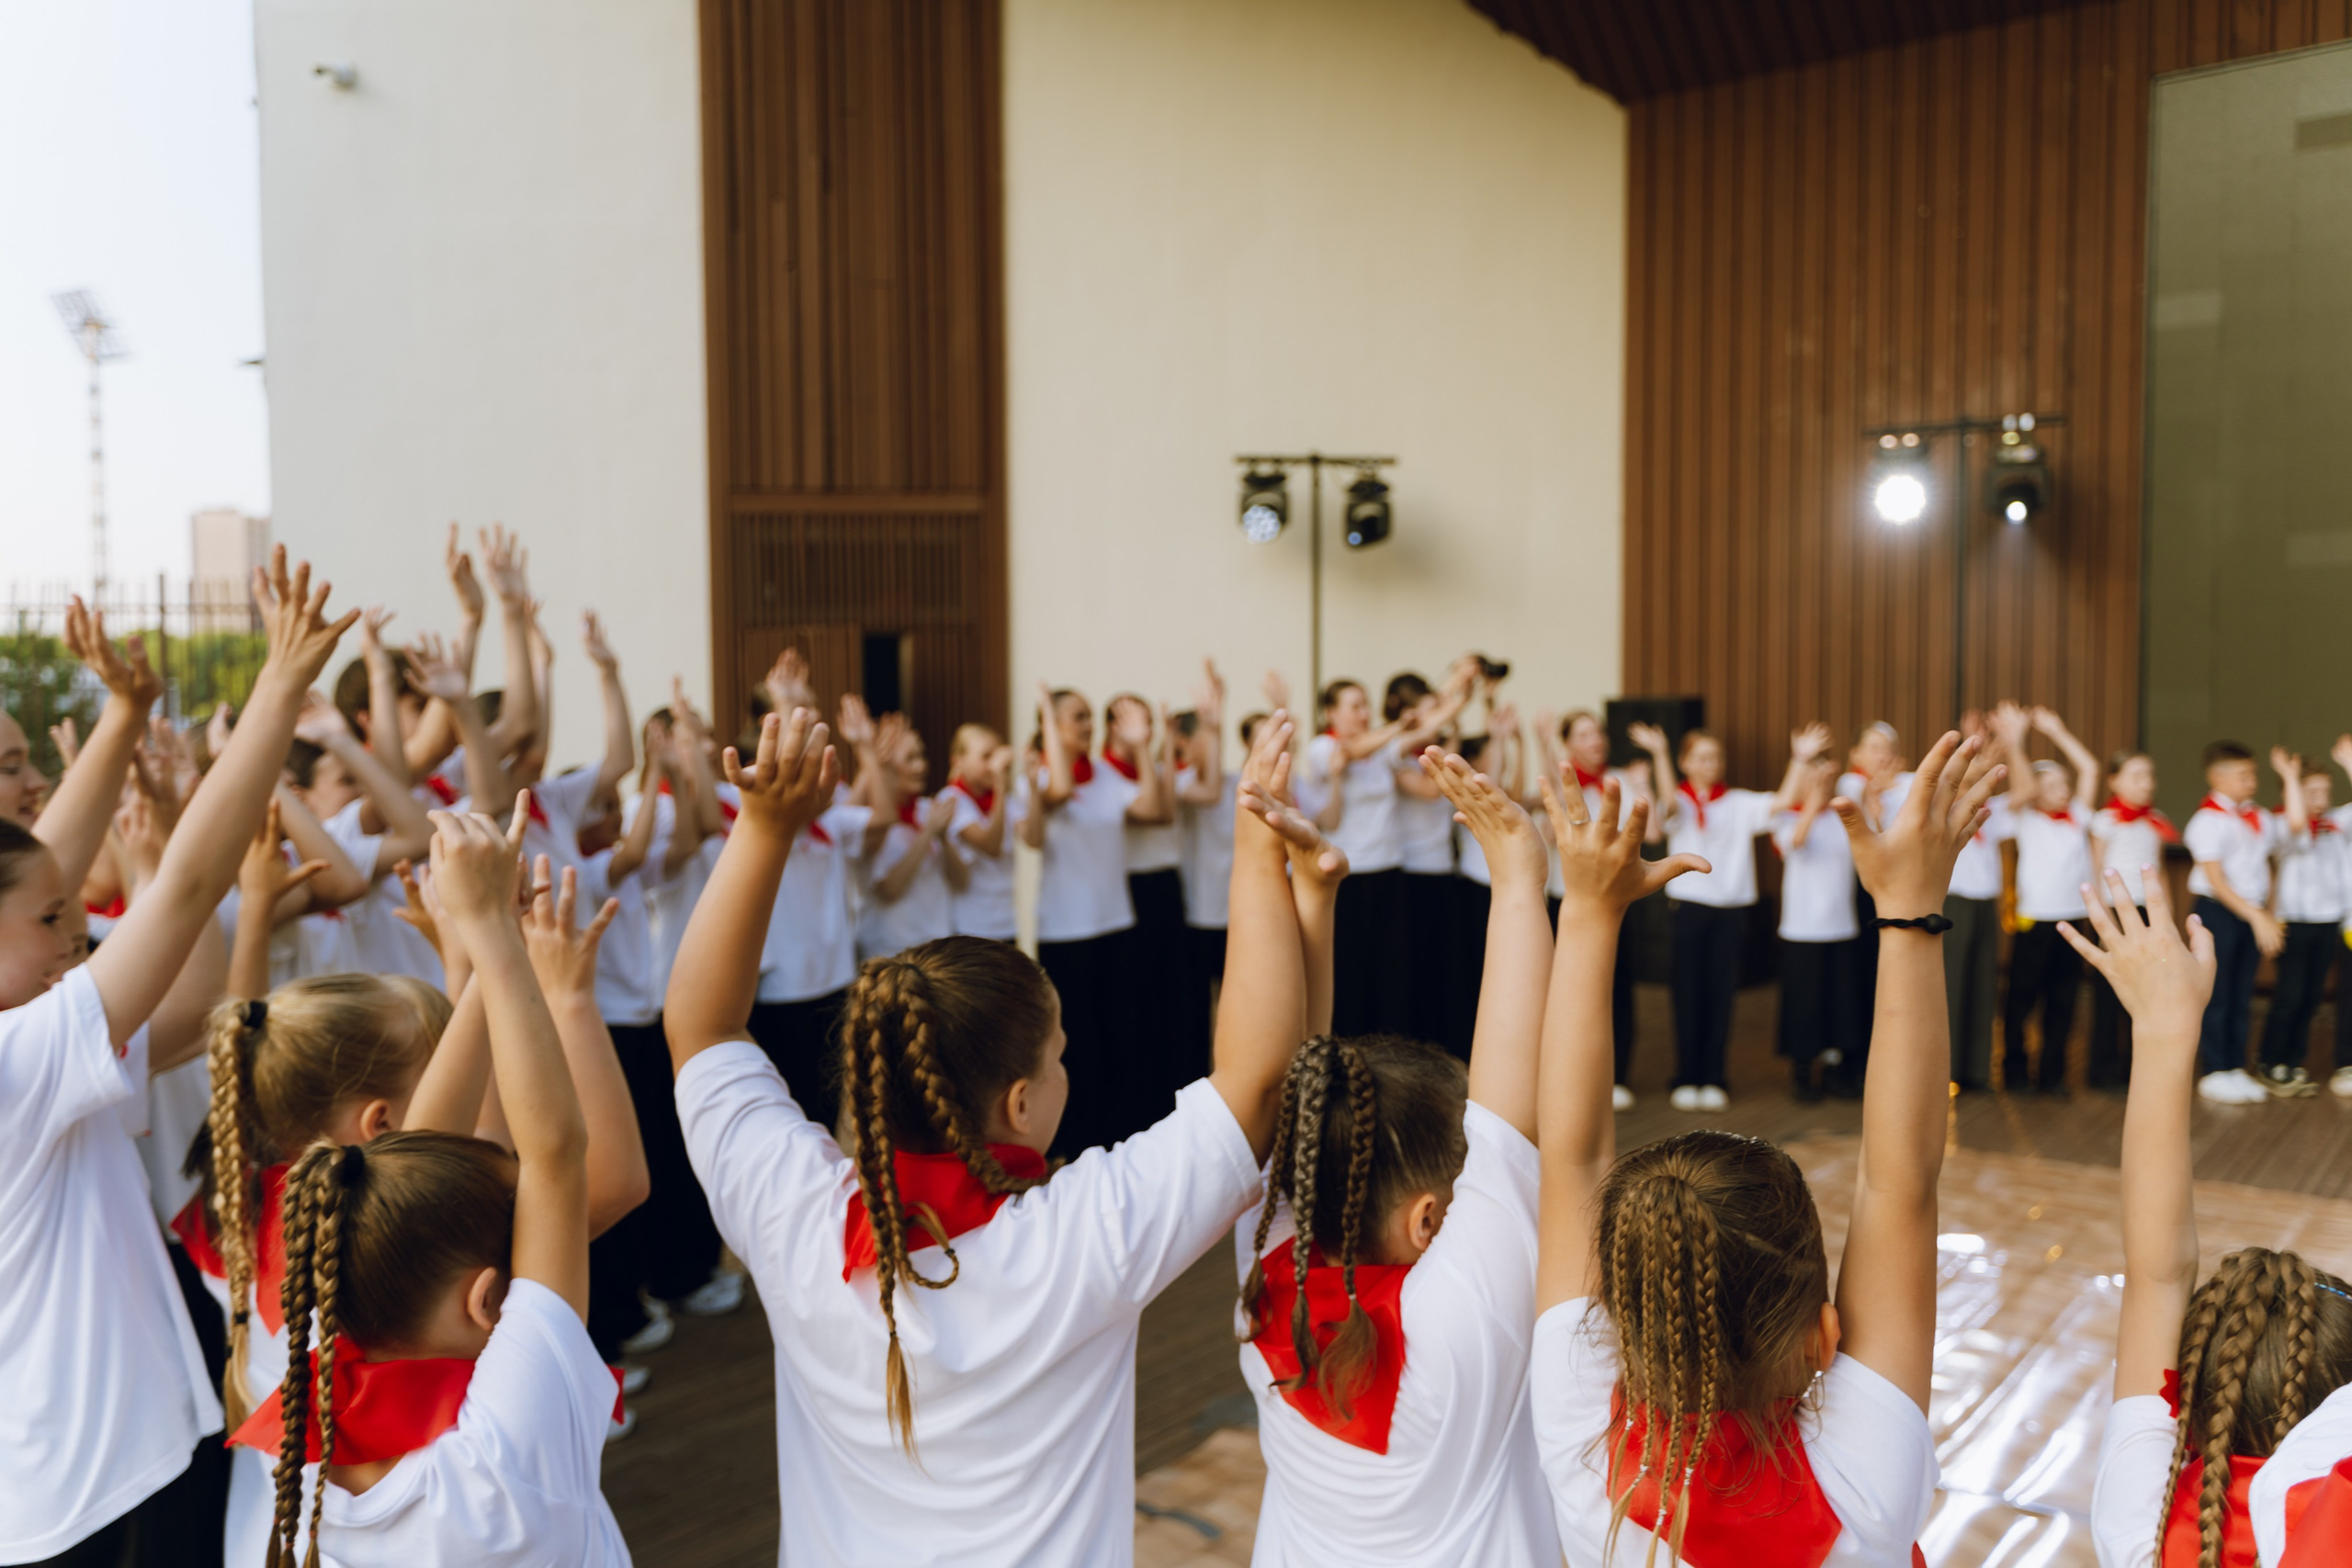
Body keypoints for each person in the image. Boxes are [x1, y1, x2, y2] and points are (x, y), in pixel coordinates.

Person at [667, 704, 1338, 1567]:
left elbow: (700, 1025)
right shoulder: (1078, 1235)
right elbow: (1255, 1083)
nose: (1068, 1067)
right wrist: (1259, 846)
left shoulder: (794, 1213)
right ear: (1020, 1104)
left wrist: (761, 828)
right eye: (1059, 1054)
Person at [1531, 728, 1999, 1564]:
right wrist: (1914, 911)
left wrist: (1589, 911)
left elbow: (1567, 1152)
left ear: (1619, 1321)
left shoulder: (1578, 1436)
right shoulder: (1863, 1484)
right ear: (1826, 1338)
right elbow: (1900, 1186)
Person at [1, 558, 353, 1567]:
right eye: (56, 921)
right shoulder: (23, 1054)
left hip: (86, 1467)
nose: (80, 932)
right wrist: (279, 687)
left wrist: (123, 720)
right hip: (102, 1484)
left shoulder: (29, 1034)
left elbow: (42, 879)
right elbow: (193, 886)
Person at [231, 809, 633, 1566]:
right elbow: (557, 1153)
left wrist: (493, 945)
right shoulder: (508, 1448)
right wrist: (492, 935)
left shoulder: (311, 1393)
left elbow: (531, 1157)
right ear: (488, 1301)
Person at [1232, 747, 1560, 1564]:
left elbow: (1291, 1086)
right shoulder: (1457, 1319)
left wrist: (1310, 898)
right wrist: (1520, 877)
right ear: (1427, 1218)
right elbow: (1511, 1110)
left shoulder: (1268, 1274)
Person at [2070, 869, 2352, 1568]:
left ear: (2189, 1404)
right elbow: (2157, 1278)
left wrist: (2164, 1030)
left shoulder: (2143, 1530)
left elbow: (2157, 1274)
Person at [1017, 685, 1164, 1153]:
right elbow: (1058, 792)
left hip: (1116, 922)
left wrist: (1142, 747)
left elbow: (1156, 810)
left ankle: (1123, 1137)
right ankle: (1078, 1145)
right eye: (1077, 717)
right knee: (1076, 1045)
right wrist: (1044, 714)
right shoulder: (1038, 777)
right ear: (1052, 728)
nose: (1088, 725)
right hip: (1067, 930)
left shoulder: (1103, 775)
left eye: (1087, 717)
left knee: (1124, 1035)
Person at [1637, 723, 1815, 1109]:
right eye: (1701, 757)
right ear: (1685, 762)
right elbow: (1667, 800)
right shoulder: (1681, 803)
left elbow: (1783, 801)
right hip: (1688, 910)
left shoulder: (1737, 803)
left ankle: (1715, 1077)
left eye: (1715, 757)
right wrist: (1659, 754)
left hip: (1730, 913)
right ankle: (1686, 1076)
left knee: (1721, 996)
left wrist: (1800, 759)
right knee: (1686, 994)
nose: (1710, 764)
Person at [1306, 668, 1470, 1039]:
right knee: (1350, 971)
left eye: (1365, 705)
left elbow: (1427, 728)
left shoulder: (1383, 752)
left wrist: (1461, 694)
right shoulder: (1322, 749)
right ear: (1331, 713)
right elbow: (1350, 751)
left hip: (1389, 869)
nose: (1363, 713)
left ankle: (1390, 1062)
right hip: (1350, 874)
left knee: (1391, 972)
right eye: (1354, 706)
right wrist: (1399, 726)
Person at [1993, 703, 2099, 1097]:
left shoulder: (2079, 816)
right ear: (2035, 790)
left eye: (2064, 784)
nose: (2064, 791)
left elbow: (2089, 768)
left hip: (2072, 919)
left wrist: (2056, 731)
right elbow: (2021, 782)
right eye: (2053, 785)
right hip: (2034, 919)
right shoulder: (2024, 816)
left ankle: (2052, 1075)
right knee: (2021, 998)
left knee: (2064, 999)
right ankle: (2014, 1071)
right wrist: (2017, 742)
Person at [1544, 710, 1645, 1106]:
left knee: (1617, 987)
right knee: (1566, 986)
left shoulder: (1619, 782)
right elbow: (1551, 838)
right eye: (1584, 734)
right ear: (1568, 744)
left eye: (1598, 732)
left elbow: (1647, 833)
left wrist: (1643, 787)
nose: (1596, 740)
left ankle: (1616, 1076)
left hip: (1615, 895)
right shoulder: (1560, 784)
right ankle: (1566, 1072)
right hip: (1565, 896)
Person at [1105, 693, 1192, 1135]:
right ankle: (1141, 1105)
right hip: (1131, 888)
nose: (1144, 727)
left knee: (1169, 993)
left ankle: (1171, 1095)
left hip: (1165, 883)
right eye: (1131, 719)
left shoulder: (1148, 767)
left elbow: (1169, 808)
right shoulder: (1106, 773)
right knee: (1138, 997)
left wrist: (1168, 740)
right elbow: (1154, 814)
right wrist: (1146, 750)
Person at [2184, 741, 2287, 1106]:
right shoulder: (2207, 820)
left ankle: (2234, 1067)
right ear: (2217, 777)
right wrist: (2256, 915)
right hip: (2219, 912)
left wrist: (2268, 913)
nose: (2252, 781)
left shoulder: (2258, 815)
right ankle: (2213, 1070)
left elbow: (2268, 867)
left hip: (2252, 914)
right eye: (2244, 775)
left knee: (2243, 993)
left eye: (2254, 774)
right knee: (2218, 994)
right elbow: (2216, 880)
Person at [1772, 742, 1860, 1102]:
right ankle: (1803, 1072)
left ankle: (1838, 1070)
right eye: (1812, 779)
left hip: (1842, 924)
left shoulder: (1844, 817)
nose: (1820, 786)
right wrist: (1812, 799)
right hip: (1802, 927)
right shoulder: (1785, 816)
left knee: (1840, 1004)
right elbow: (1796, 842)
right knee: (1804, 1004)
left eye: (1824, 779)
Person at [2086, 747, 2177, 1092]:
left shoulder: (2156, 821)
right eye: (2137, 775)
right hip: (2115, 913)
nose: (2147, 783)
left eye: (2150, 775)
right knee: (2110, 993)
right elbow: (2094, 871)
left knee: (2145, 993)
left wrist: (2166, 920)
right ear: (2114, 781)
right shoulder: (2105, 820)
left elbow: (2162, 874)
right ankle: (2102, 1070)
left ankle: (2135, 1068)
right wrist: (2104, 924)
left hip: (2147, 911)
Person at [2257, 752, 2341, 1098]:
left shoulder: (2335, 826)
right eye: (2312, 793)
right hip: (2293, 922)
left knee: (2310, 997)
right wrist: (2290, 778)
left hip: (2328, 922)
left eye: (2326, 792)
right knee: (2289, 996)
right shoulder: (2280, 825)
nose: (2322, 801)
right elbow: (2296, 824)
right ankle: (2270, 1062)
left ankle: (2294, 1061)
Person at [1385, 673, 1462, 1047]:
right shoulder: (1398, 753)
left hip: (1442, 868)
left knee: (1442, 966)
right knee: (1413, 967)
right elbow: (1434, 791)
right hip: (1412, 871)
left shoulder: (1436, 752)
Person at [1445, 713, 1522, 1062]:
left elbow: (1515, 790)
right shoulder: (1463, 793)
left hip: (1499, 889)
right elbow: (1493, 775)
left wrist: (1514, 743)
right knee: (1477, 969)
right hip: (1473, 890)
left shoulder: (1498, 794)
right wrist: (1500, 739)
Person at [855, 720, 965, 962]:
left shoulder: (929, 809)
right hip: (892, 950)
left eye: (921, 756)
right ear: (887, 766)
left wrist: (943, 838)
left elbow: (961, 880)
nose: (921, 766)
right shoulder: (873, 821)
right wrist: (928, 834)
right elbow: (889, 889)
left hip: (937, 946)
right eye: (911, 758)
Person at [940, 723, 1017, 944]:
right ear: (958, 761)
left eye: (997, 755)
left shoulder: (1002, 801)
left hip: (1006, 920)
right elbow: (990, 845)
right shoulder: (952, 799)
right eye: (986, 757)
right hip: (971, 924)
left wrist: (1030, 781)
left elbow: (1033, 838)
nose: (994, 765)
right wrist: (1001, 787)